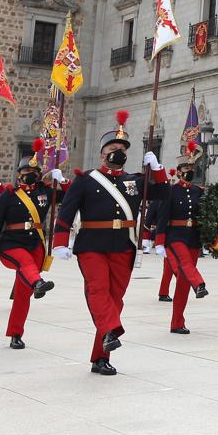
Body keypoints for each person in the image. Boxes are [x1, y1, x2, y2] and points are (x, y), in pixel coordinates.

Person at [52, 110, 164, 376]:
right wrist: (60, 240)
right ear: (103, 153)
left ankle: (100, 357)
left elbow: (163, 193)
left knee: (115, 301)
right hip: (91, 244)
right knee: (99, 291)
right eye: (114, 148)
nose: (119, 153)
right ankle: (112, 330)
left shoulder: (135, 181)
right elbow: (67, 210)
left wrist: (157, 169)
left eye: (123, 149)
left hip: (123, 245)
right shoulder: (86, 179)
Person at [0, 141, 61, 349]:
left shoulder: (45, 192)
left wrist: (61, 180)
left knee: (22, 294)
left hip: (36, 243)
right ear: (19, 174)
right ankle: (38, 282)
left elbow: (71, 197)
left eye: (34, 171)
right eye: (27, 170)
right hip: (11, 243)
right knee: (25, 263)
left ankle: (16, 333)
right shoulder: (9, 194)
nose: (30, 174)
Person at [149, 143, 209, 334]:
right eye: (186, 168)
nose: (190, 171)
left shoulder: (199, 192)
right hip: (175, 236)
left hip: (193, 237)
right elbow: (162, 217)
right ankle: (199, 284)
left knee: (182, 283)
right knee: (185, 263)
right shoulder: (171, 191)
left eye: (192, 168)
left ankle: (177, 323)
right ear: (180, 171)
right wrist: (159, 241)